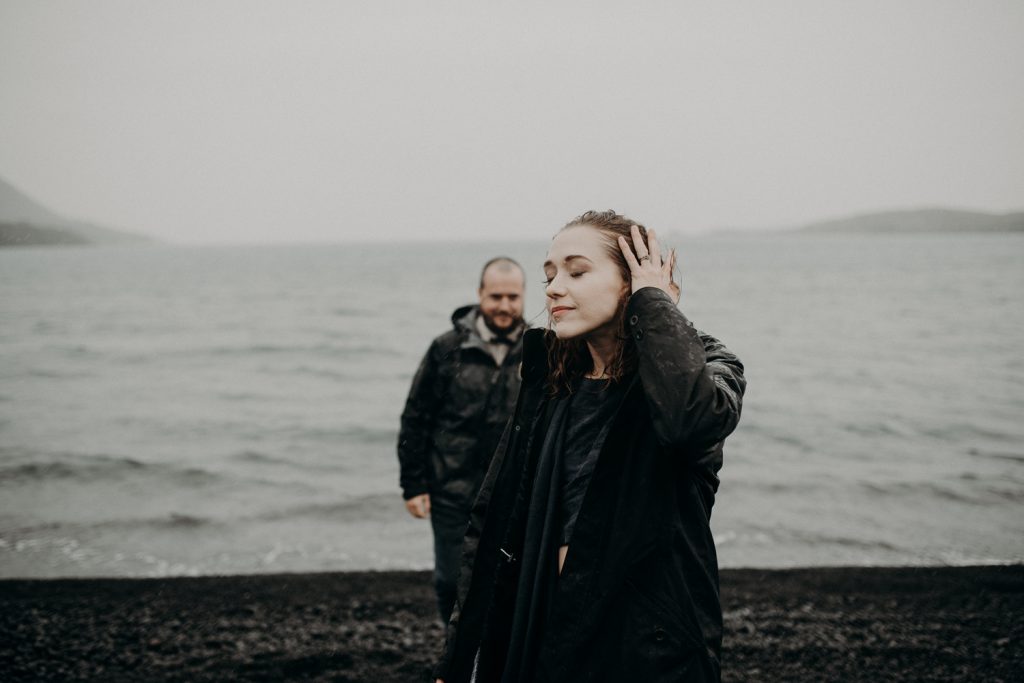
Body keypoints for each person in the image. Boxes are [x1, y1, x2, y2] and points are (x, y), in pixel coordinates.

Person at [433, 211, 746, 683]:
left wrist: (655, 303)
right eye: (550, 274)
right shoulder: (552, 382)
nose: (554, 288)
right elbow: (492, 523)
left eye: (577, 272)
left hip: (641, 644)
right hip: (542, 625)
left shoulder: (706, 366)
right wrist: (459, 655)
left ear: (631, 283)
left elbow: (689, 422)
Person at [398, 256, 528, 624]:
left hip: (513, 492)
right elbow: (416, 417)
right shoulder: (446, 349)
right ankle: (452, 657)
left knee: (508, 582)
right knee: (450, 581)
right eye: (496, 296)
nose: (505, 306)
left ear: (523, 298)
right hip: (452, 490)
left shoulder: (540, 349)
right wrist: (413, 485)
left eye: (513, 297)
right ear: (480, 295)